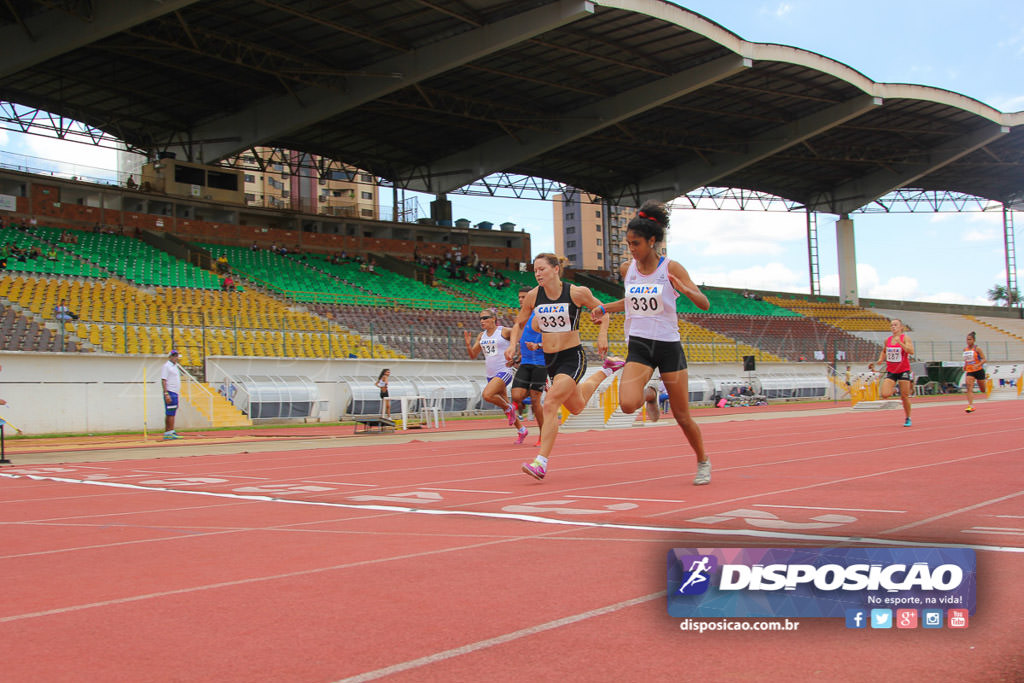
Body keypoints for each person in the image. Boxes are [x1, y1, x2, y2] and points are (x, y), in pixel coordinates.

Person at [592, 201, 712, 485]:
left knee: (683, 416)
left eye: (636, 244)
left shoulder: (672, 268)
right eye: (628, 244)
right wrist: (604, 308)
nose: (631, 249)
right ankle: (651, 393)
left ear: (652, 241)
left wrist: (684, 290)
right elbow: (630, 301)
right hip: (640, 345)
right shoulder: (627, 269)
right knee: (627, 404)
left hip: (669, 346)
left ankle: (703, 460)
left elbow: (704, 304)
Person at [507, 253, 625, 480]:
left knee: (550, 402)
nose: (538, 273)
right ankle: (607, 370)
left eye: (541, 269)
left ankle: (541, 462)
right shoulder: (533, 296)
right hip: (550, 360)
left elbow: (603, 311)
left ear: (555, 269)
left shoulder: (576, 293)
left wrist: (603, 335)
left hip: (573, 357)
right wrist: (513, 345)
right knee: (577, 406)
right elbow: (519, 323)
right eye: (535, 270)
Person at [465, 309, 529, 444]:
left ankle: (510, 408)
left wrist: (517, 355)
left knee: (487, 395)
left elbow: (521, 336)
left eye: (485, 318)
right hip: (491, 374)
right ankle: (522, 429)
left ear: (494, 318)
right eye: (480, 319)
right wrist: (467, 345)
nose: (482, 321)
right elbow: (473, 355)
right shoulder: (481, 336)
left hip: (504, 371)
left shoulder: (503, 331)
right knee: (505, 405)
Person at [509, 287, 548, 447]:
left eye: (524, 296)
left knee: (535, 400)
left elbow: (556, 340)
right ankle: (520, 404)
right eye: (519, 297)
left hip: (540, 363)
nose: (520, 300)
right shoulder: (522, 318)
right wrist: (514, 354)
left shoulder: (541, 314)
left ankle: (543, 435)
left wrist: (538, 345)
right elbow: (518, 337)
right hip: (525, 362)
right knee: (516, 395)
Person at [869, 318, 915, 427]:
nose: (893, 327)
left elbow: (911, 351)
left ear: (901, 327)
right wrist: (881, 359)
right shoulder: (888, 340)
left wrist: (901, 343)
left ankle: (908, 417)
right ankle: (895, 387)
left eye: (895, 325)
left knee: (904, 396)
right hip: (892, 371)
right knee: (885, 394)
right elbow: (884, 351)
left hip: (903, 370)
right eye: (891, 325)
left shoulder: (905, 338)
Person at [160, 350, 183, 440]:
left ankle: (169, 431)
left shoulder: (175, 366)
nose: (176, 358)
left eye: (177, 356)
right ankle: (170, 431)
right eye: (175, 356)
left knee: (171, 412)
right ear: (171, 356)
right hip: (170, 391)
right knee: (171, 413)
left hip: (175, 392)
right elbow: (164, 380)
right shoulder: (167, 366)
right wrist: (166, 393)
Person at [962, 331, 986, 413]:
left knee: (983, 390)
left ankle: (987, 384)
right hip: (970, 371)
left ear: (974, 340)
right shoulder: (965, 350)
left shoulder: (977, 349)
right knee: (969, 387)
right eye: (967, 339)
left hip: (979, 370)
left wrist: (978, 365)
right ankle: (970, 406)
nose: (968, 341)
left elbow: (984, 359)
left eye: (970, 339)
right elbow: (967, 360)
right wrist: (965, 365)